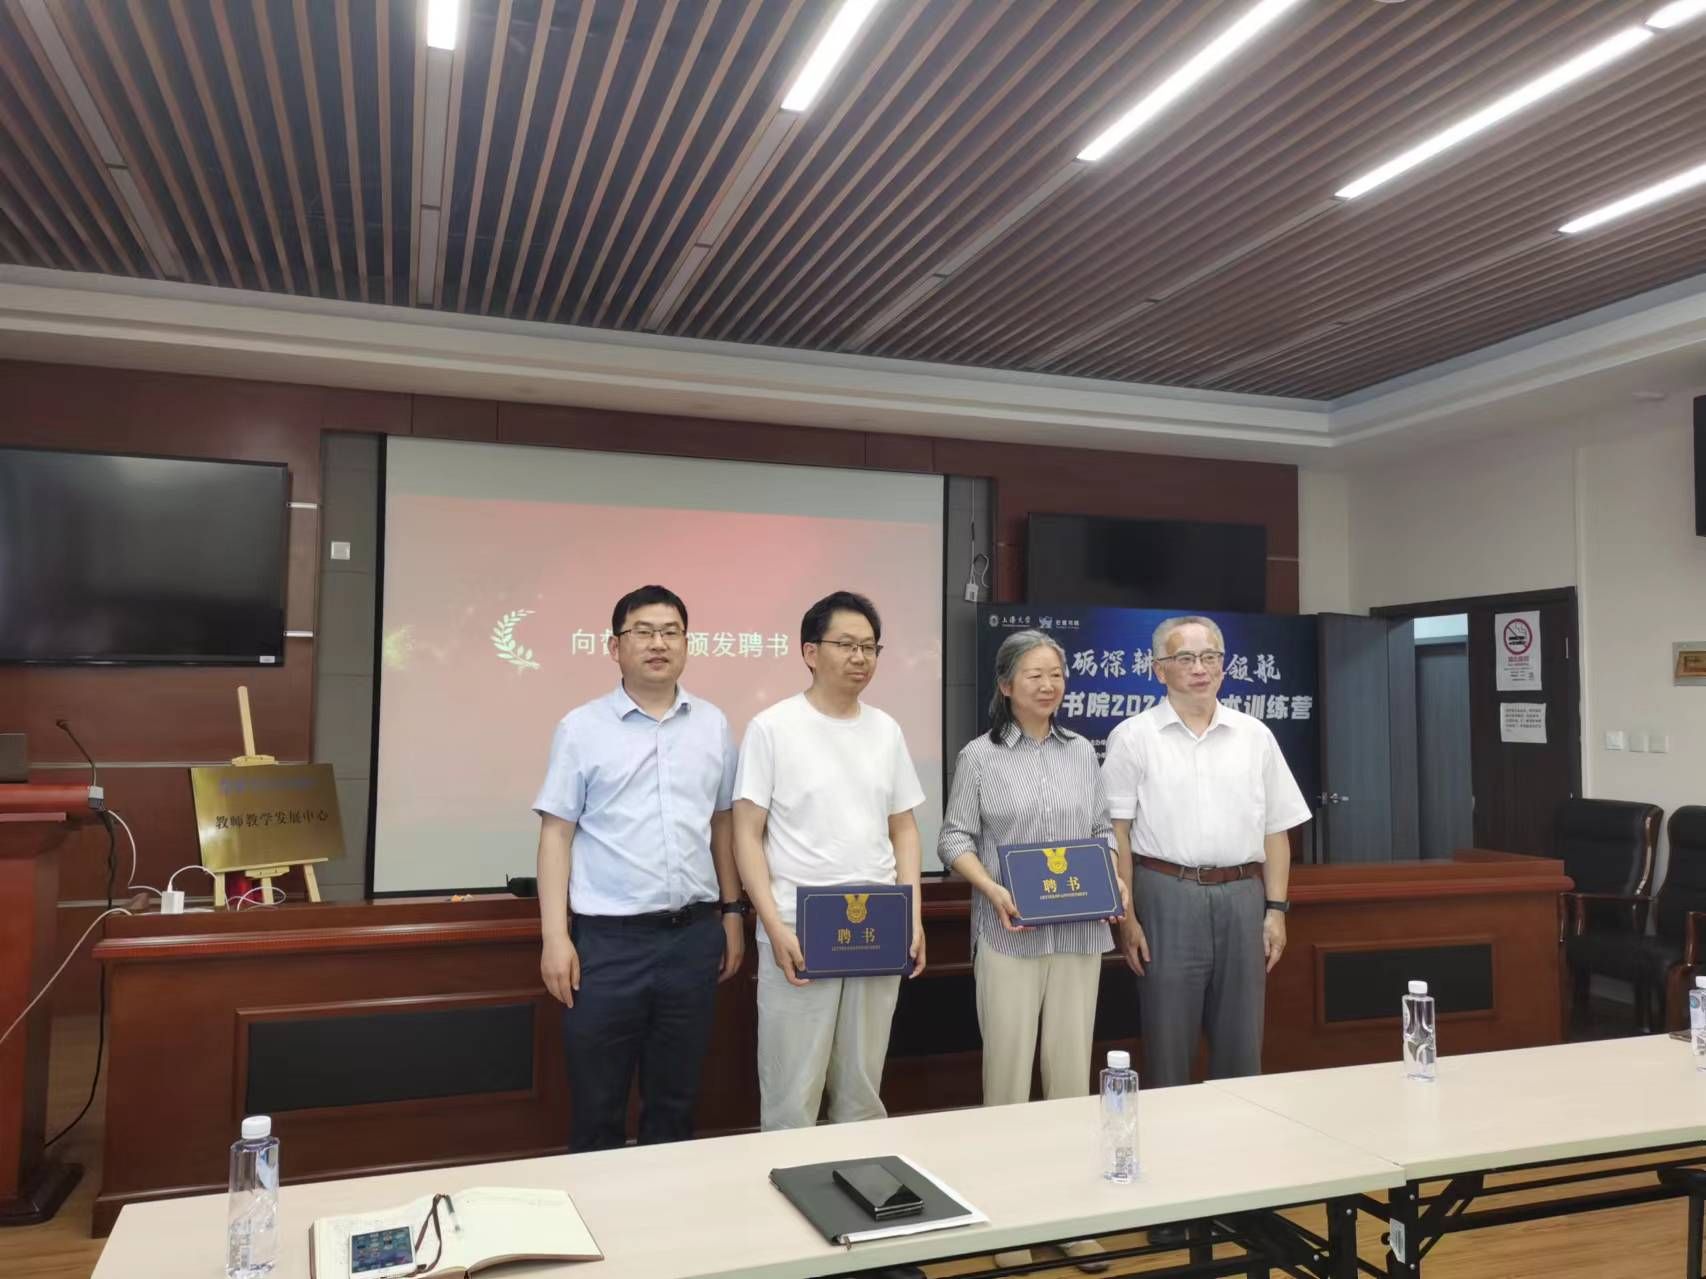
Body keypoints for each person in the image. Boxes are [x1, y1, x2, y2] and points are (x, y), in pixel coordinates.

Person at [532, 585, 746, 1152]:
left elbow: (722, 823)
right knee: (597, 1104)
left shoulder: (712, 724)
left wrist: (732, 912)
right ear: (615, 647)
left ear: (686, 643)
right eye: (644, 632)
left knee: (676, 1104)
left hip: (692, 938)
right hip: (608, 945)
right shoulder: (581, 728)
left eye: (671, 632)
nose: (659, 643)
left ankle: (667, 1206)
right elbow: (556, 834)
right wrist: (555, 937)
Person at [938, 628, 1125, 1275]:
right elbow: (953, 838)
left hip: (1077, 933)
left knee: (1071, 1079)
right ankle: (1010, 1216)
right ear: (1005, 684)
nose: (1049, 685)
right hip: (1009, 933)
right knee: (1009, 1078)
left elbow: (1100, 830)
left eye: (1057, 674)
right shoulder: (979, 756)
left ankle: (1071, 1218)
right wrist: (992, 889)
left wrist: (1114, 877)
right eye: (1035, 674)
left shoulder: (1081, 753)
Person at [733, 590, 927, 1132]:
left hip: (879, 923)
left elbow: (904, 828)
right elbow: (746, 833)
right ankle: (787, 1182)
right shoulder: (772, 727)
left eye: (869, 647)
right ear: (810, 652)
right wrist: (771, 924)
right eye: (846, 644)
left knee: (862, 1088)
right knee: (792, 1092)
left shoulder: (886, 730)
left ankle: (858, 1180)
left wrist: (911, 914)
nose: (860, 657)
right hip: (799, 927)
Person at [1103, 614, 1310, 1090]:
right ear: (1159, 669)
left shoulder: (1254, 735)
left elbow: (1276, 832)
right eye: (1186, 658)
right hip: (1165, 894)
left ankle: (1239, 1132)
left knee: (1242, 1042)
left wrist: (1276, 910)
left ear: (1223, 665)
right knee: (1168, 1039)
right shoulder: (1133, 736)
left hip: (1242, 895)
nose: (1200, 668)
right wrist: (1128, 919)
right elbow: (1117, 834)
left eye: (1210, 657)